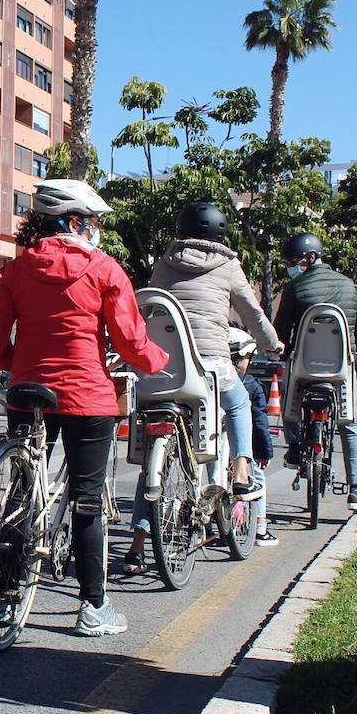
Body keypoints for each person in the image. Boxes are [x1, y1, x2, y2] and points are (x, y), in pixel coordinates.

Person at [0, 178, 168, 638]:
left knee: (21, 494)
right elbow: (128, 337)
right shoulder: (105, 270)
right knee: (87, 499)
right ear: (77, 223)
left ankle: (5, 600)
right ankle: (92, 607)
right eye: (94, 222)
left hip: (28, 394)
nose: (96, 230)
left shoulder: (16, 271)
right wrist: (155, 362)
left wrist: (17, 364)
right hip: (87, 396)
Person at [120, 203, 282, 574]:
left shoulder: (163, 262)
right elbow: (253, 314)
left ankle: (138, 545)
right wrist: (271, 342)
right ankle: (241, 469)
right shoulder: (228, 266)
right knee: (240, 403)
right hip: (209, 368)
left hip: (162, 369)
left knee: (151, 464)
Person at [273, 232, 357, 513]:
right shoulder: (349, 286)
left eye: (295, 262)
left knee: (289, 405)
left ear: (311, 258)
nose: (293, 268)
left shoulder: (296, 288)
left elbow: (282, 333)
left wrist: (282, 349)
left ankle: (294, 448)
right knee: (349, 423)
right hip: (342, 369)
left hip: (304, 368)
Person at [231, 327, 279, 546]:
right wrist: (264, 451)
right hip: (243, 446)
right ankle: (260, 527)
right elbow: (260, 422)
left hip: (215, 444)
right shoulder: (250, 384)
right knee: (257, 477)